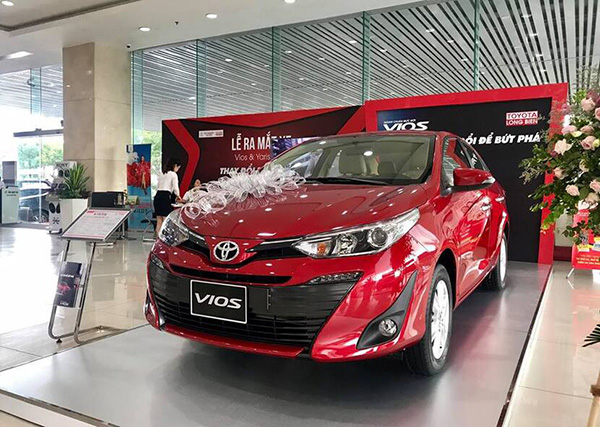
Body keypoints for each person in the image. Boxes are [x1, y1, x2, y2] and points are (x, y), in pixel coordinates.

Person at [154, 158, 182, 233]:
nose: (178, 170)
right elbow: (176, 188)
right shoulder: (173, 174)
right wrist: (178, 196)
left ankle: (158, 238)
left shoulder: (161, 173)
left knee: (159, 220)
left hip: (157, 196)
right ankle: (164, 238)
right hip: (165, 196)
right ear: (175, 166)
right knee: (165, 220)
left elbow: (157, 187)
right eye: (178, 168)